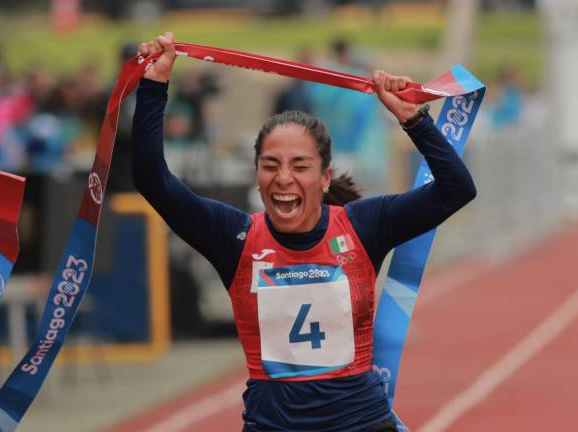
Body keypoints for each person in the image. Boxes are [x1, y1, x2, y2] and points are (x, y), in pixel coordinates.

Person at [132, 32, 476, 432]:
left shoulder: (363, 226)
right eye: (270, 165)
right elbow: (152, 179)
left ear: (325, 178)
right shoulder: (234, 238)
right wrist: (154, 85)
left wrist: (413, 119)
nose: (283, 178)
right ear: (257, 175)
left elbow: (457, 189)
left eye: (299, 166)